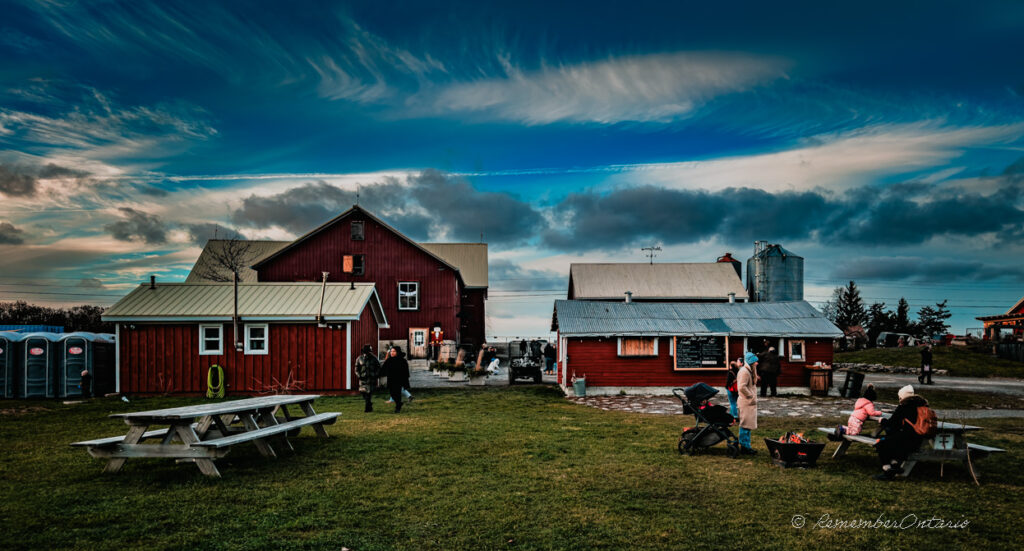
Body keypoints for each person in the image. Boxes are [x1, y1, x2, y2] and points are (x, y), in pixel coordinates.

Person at [873, 385, 932, 481]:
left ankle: (887, 470)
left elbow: (892, 424)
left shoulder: (904, 406)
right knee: (895, 441)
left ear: (901, 397)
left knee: (881, 443)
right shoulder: (923, 405)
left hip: (906, 439)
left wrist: (882, 420)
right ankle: (895, 464)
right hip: (918, 439)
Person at [736, 352, 759, 455]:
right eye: (755, 361)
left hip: (748, 402)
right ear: (751, 362)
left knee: (748, 425)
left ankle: (746, 446)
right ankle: (745, 447)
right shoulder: (744, 372)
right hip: (746, 402)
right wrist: (750, 395)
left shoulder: (749, 370)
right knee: (745, 425)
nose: (757, 363)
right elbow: (741, 387)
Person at [382, 346, 411, 413]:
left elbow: (406, 371)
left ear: (397, 352)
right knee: (392, 393)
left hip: (399, 379)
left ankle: (398, 407)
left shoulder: (402, 361)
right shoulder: (389, 360)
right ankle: (399, 403)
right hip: (391, 379)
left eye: (394, 351)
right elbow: (383, 369)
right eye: (391, 351)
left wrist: (405, 379)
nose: (392, 353)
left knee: (397, 393)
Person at [355, 344, 380, 413]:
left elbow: (378, 367)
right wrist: (359, 375)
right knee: (363, 393)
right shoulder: (359, 358)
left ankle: (367, 408)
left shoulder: (374, 358)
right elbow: (356, 368)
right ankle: (369, 404)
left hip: (371, 379)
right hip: (362, 379)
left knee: (368, 393)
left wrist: (375, 375)